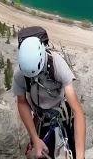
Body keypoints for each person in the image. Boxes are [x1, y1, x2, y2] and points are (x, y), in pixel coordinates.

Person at [12, 27, 85, 159]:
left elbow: (77, 111)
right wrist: (35, 139)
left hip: (62, 115)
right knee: (37, 153)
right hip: (41, 118)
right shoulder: (20, 73)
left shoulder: (57, 65)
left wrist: (80, 156)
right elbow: (21, 103)